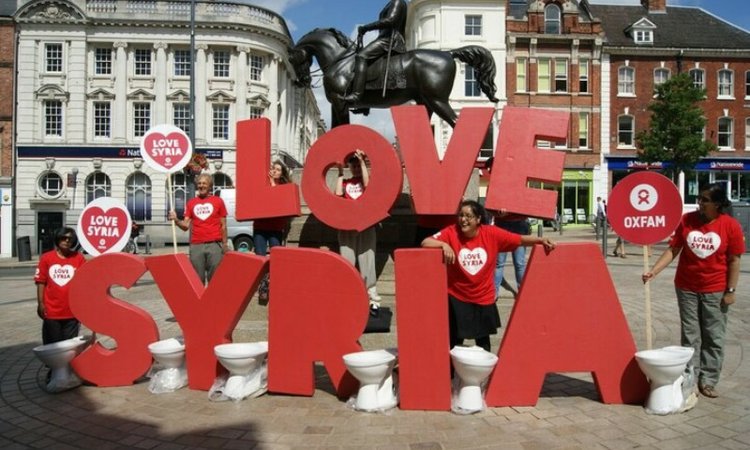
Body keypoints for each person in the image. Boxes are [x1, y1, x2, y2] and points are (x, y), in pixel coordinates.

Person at [642, 183, 744, 399]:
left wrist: (731, 290)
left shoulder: (730, 226)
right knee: (690, 336)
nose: (700, 203)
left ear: (717, 204)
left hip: (715, 290)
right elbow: (674, 249)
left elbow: (734, 260)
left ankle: (708, 380)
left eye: (705, 200)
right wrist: (654, 271)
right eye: (699, 198)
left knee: (713, 337)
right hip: (686, 287)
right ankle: (689, 378)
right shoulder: (687, 220)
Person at [422, 200, 556, 352]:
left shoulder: (491, 233)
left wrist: (540, 240)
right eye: (461, 215)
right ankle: (450, 374)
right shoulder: (451, 231)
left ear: (478, 219)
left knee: (483, 345)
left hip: (483, 298)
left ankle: (483, 374)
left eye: (468, 216)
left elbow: (519, 239)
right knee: (453, 343)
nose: (463, 220)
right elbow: (426, 241)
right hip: (457, 297)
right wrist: (443, 245)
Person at [335, 150, 382, 310]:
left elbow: (368, 187)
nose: (355, 168)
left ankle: (372, 298)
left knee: (367, 260)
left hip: (366, 225)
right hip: (347, 226)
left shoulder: (368, 182)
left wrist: (362, 162)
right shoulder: (346, 182)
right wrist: (341, 172)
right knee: (347, 261)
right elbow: (337, 195)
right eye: (352, 166)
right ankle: (348, 294)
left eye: (357, 165)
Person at [340, 0, 408, 104]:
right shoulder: (392, 3)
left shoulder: (397, 1)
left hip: (389, 40)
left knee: (361, 56)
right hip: (385, 38)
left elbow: (390, 20)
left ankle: (357, 95)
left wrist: (366, 27)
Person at [169, 173, 228, 285]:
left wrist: (224, 244)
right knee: (197, 279)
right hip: (196, 245)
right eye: (199, 183)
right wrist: (176, 220)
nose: (201, 186)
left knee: (215, 279)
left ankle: (212, 301)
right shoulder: (191, 203)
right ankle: (200, 301)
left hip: (215, 245)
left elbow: (223, 226)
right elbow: (185, 226)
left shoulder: (218, 201)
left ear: (210, 186)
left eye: (204, 183)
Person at [35, 227, 87, 345]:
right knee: (52, 348)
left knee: (69, 348)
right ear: (58, 239)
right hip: (51, 312)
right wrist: (41, 303)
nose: (67, 241)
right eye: (64, 238)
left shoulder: (78, 258)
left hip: (72, 312)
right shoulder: (46, 258)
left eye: (70, 239)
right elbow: (41, 282)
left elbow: (85, 281)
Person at [254, 160, 293, 303]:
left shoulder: (284, 187)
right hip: (260, 227)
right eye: (273, 169)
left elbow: (275, 199)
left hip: (275, 228)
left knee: (276, 258)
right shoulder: (263, 185)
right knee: (260, 258)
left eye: (278, 169)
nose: (275, 171)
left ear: (282, 173)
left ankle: (276, 286)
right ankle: (263, 288)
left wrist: (272, 182)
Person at [493, 210, 529, 299]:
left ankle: (494, 294)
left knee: (501, 264)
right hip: (509, 223)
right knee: (518, 264)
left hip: (510, 223)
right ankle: (522, 294)